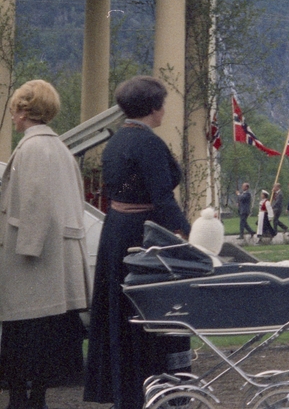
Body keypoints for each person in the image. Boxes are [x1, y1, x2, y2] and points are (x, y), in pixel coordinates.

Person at [85, 76, 193, 408]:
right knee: (151, 311)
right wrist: (187, 233)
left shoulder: (117, 140)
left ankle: (125, 391)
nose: (164, 110)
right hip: (143, 235)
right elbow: (162, 197)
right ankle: (154, 386)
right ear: (153, 107)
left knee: (122, 312)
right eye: (162, 104)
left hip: (117, 231)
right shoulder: (147, 143)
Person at [0, 80, 88, 409]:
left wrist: (27, 249)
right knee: (42, 335)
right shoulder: (59, 148)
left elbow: (37, 205)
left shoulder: (33, 148)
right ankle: (34, 398)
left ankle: (22, 401)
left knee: (22, 334)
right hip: (50, 257)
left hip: (33, 262)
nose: (12, 116)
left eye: (14, 109)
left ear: (24, 111)